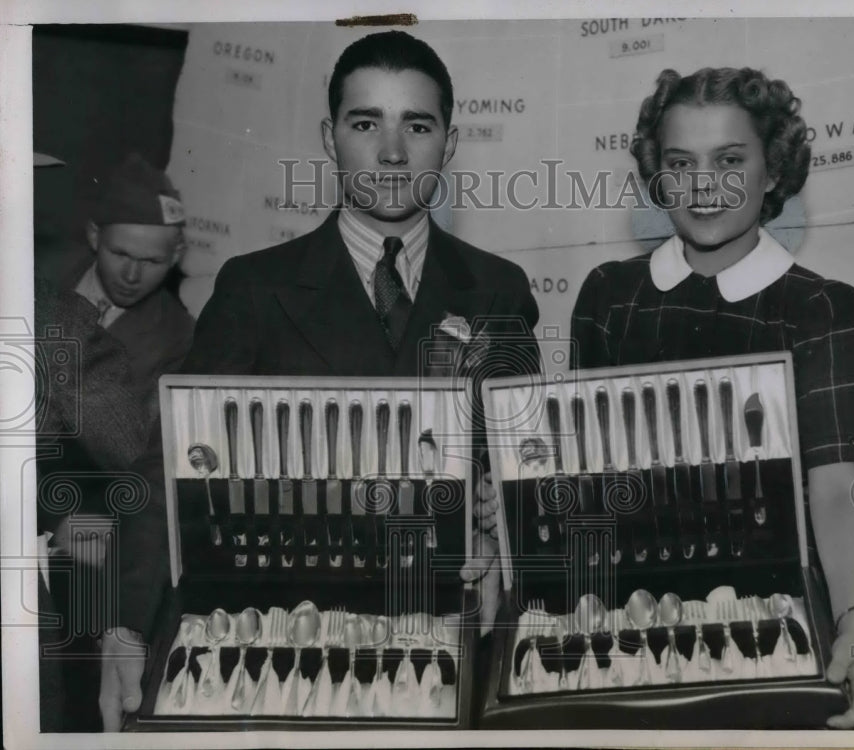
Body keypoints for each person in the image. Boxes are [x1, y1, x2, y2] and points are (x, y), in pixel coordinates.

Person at [99, 30, 539, 731]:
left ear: (449, 144)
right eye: (366, 123)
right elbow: (169, 467)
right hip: (287, 641)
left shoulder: (499, 290)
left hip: (441, 637)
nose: (392, 153)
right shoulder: (253, 288)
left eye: (416, 126)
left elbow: (518, 468)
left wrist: (501, 544)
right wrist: (125, 627)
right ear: (329, 138)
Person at [570, 67, 854, 729]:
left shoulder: (818, 305)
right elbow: (584, 482)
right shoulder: (607, 295)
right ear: (658, 174)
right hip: (625, 618)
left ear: (774, 173)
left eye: (731, 161)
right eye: (680, 163)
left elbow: (834, 484)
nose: (703, 186)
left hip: (773, 615)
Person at [46, 153, 195, 418]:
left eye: (152, 261)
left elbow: (146, 443)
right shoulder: (37, 269)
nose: (131, 276)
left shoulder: (178, 337)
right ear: (94, 236)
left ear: (176, 256)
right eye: (120, 254)